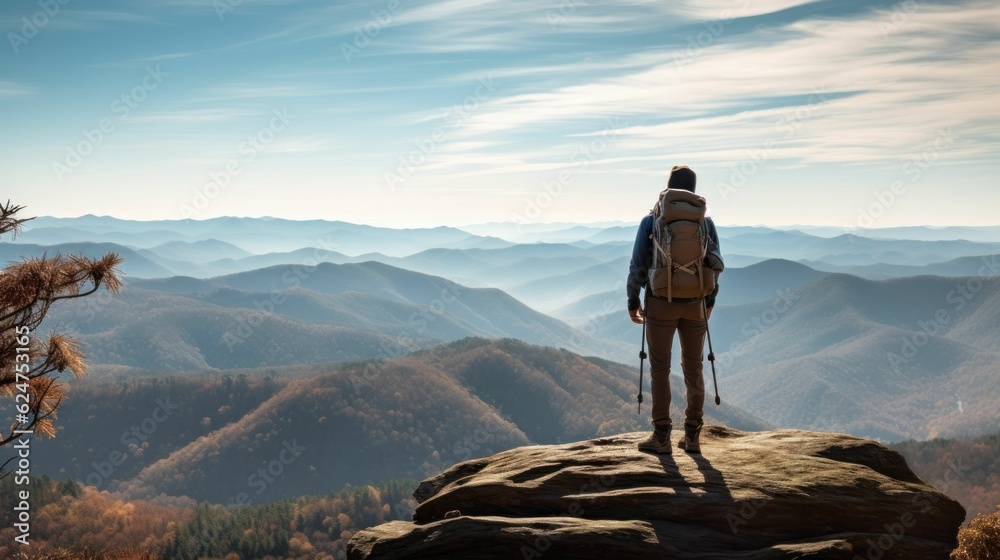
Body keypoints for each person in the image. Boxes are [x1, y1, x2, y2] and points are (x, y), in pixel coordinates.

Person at [626, 165, 723, 454]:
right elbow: (715, 266)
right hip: (695, 305)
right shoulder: (705, 223)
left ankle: (662, 438)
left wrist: (633, 302)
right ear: (693, 190)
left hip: (660, 304)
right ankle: (692, 436)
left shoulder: (651, 221)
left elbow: (637, 266)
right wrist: (709, 302)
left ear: (668, 187)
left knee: (660, 369)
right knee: (694, 367)